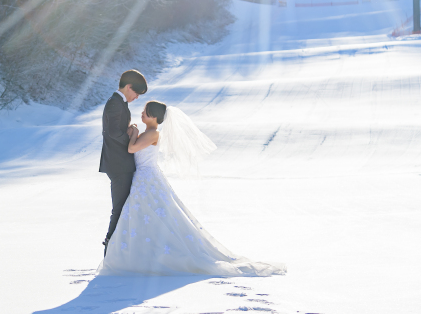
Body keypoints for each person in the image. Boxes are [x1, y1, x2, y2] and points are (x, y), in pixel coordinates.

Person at [98, 101, 286, 277]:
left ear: (154, 117)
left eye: (145, 112)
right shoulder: (148, 132)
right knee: (147, 214)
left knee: (153, 213)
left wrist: (132, 135)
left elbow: (132, 149)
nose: (142, 113)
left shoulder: (153, 133)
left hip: (146, 177)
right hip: (144, 177)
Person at [99, 70, 148, 255]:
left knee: (123, 206)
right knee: (119, 207)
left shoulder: (120, 103)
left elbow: (116, 130)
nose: (136, 97)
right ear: (128, 87)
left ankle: (119, 247)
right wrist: (131, 137)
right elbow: (112, 133)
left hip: (119, 162)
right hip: (118, 163)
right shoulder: (115, 104)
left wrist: (128, 130)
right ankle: (110, 249)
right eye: (136, 93)